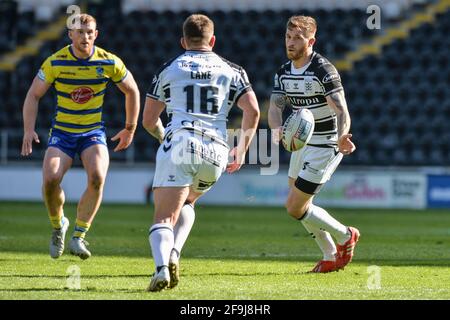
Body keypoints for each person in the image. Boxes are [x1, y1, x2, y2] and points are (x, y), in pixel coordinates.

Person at [142, 14, 260, 291]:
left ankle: (161, 269)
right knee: (187, 203)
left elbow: (148, 119)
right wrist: (241, 149)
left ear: (183, 41)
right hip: (216, 152)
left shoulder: (170, 68)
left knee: (163, 218)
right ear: (213, 40)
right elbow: (253, 110)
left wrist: (164, 138)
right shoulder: (232, 70)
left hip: (181, 142)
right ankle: (175, 252)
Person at [21, 13, 140, 260]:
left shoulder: (109, 62)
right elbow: (33, 94)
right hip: (62, 132)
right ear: (70, 35)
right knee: (51, 179)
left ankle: (79, 237)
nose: (85, 36)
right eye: (80, 32)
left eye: (90, 32)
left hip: (92, 132)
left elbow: (132, 90)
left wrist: (130, 128)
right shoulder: (55, 62)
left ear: (96, 34)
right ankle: (58, 226)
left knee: (97, 177)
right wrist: (28, 130)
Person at [268, 15, 359, 273]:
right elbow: (276, 106)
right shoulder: (284, 72)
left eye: (297, 38)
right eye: (288, 37)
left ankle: (345, 236)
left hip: (326, 143)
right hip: (301, 143)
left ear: (311, 41)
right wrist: (276, 131)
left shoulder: (323, 70)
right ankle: (330, 254)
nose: (291, 43)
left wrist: (343, 136)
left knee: (294, 206)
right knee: (298, 203)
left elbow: (341, 110)